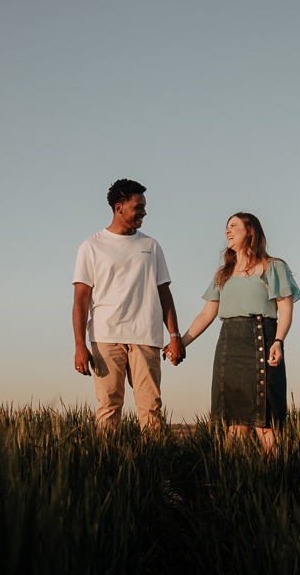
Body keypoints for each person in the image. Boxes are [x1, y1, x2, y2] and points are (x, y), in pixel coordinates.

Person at [172, 212, 300, 450]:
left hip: (263, 339)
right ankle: (236, 479)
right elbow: (206, 314)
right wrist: (181, 342)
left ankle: (276, 477)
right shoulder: (223, 274)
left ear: (250, 231)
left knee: (265, 420)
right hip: (229, 344)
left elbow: (285, 310)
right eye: (226, 227)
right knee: (233, 423)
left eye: (233, 226)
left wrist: (278, 342)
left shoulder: (273, 267)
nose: (227, 231)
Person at [72, 179, 185, 430]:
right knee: (109, 407)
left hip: (146, 335)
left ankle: (153, 465)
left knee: (151, 408)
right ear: (119, 207)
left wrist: (174, 335)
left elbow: (164, 293)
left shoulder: (151, 246)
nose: (144, 212)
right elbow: (80, 299)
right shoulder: (91, 246)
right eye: (139, 206)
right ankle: (110, 465)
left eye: (144, 206)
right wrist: (80, 344)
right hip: (105, 337)